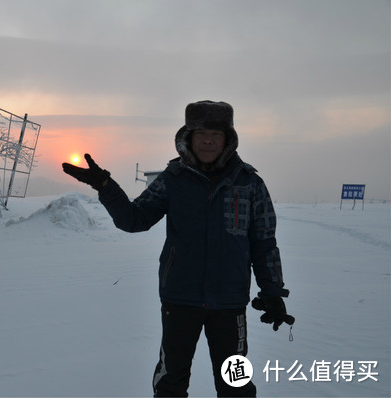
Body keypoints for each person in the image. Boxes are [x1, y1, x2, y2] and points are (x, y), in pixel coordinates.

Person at [62, 100, 294, 397]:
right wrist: (106, 186)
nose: (208, 140)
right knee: (171, 382)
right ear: (188, 137)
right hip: (180, 299)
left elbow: (263, 242)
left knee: (235, 382)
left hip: (229, 301)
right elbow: (135, 220)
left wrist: (272, 292)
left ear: (228, 139)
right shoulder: (173, 180)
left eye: (216, 134)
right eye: (200, 133)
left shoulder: (249, 184)